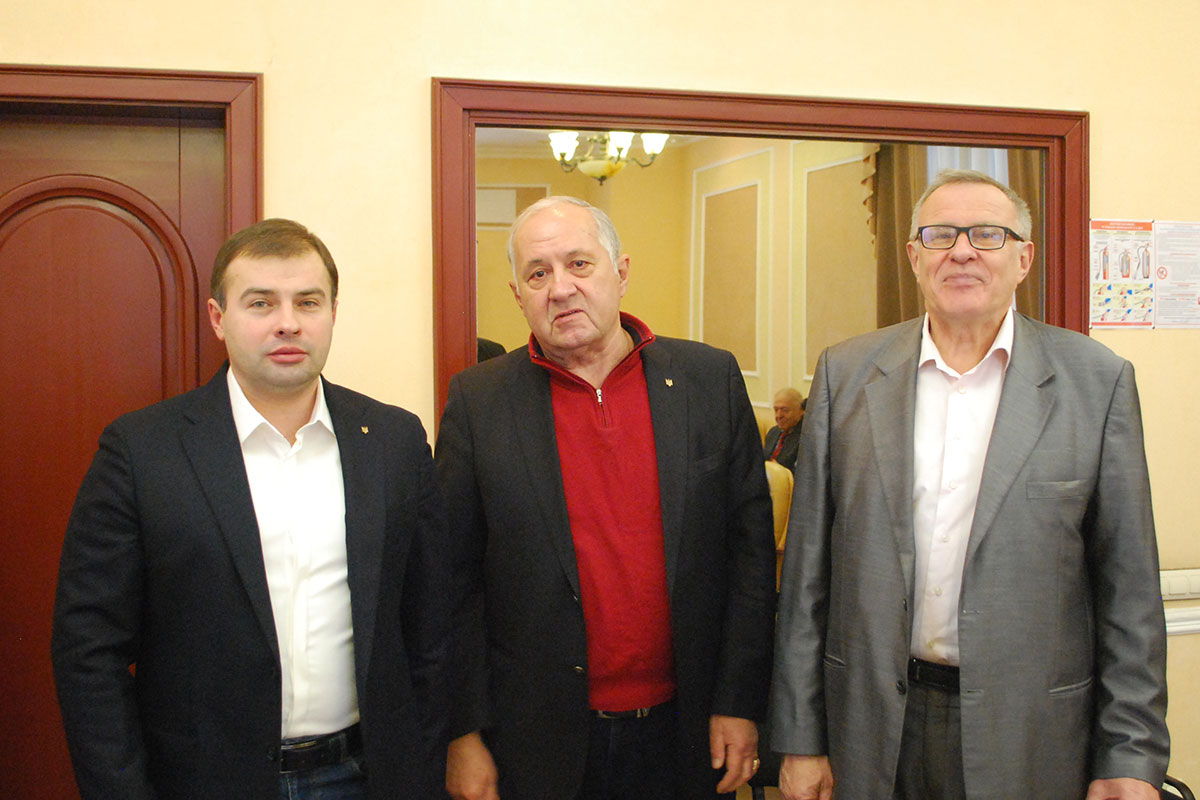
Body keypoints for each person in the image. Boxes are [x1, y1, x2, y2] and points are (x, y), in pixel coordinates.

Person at [769, 170, 1168, 800]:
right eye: (940, 235)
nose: (961, 251)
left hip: (1031, 736)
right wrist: (800, 736)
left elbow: (1130, 593)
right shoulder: (846, 375)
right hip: (868, 729)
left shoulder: (1096, 382)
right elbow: (807, 579)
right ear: (914, 257)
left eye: (987, 234)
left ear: (1023, 259)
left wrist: (1131, 755)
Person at [51, 218, 451, 799]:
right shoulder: (141, 451)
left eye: (307, 302)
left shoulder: (393, 441)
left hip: (367, 776)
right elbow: (89, 649)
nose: (288, 322)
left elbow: (430, 627)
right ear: (218, 318)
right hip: (203, 781)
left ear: (332, 312)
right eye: (260, 303)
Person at [436, 196, 776, 800]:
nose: (560, 289)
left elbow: (749, 561)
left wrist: (739, 701)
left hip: (689, 728)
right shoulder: (478, 403)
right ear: (518, 296)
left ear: (620, 272)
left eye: (579, 264)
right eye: (537, 274)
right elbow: (452, 585)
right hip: (536, 740)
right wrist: (464, 734)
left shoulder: (708, 380)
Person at [763, 388, 805, 472]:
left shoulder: (806, 437)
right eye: (776, 410)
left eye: (785, 410)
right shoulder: (773, 432)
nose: (778, 415)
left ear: (801, 411)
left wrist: (778, 471)